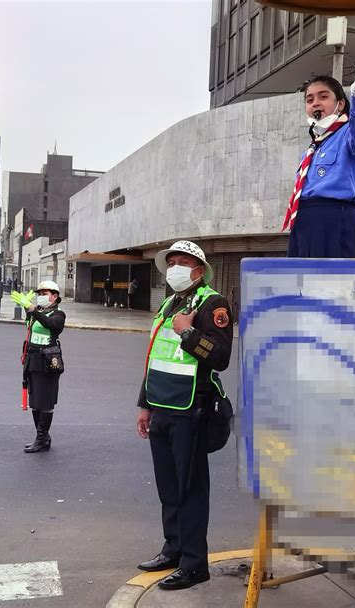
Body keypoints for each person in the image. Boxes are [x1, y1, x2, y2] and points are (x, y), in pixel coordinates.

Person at [136, 240, 233, 591]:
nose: (175, 266)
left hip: (192, 410)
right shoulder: (168, 303)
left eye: (183, 261)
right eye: (171, 261)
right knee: (169, 487)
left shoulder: (213, 304)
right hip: (162, 408)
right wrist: (145, 405)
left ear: (199, 269)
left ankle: (194, 563)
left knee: (190, 489)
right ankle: (174, 548)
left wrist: (188, 333)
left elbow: (220, 356)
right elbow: (155, 357)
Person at [282, 57, 355, 258]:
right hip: (304, 221)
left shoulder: (347, 134)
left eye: (323, 97)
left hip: (334, 220)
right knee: (299, 285)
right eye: (310, 100)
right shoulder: (313, 147)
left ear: (340, 104)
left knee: (331, 286)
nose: (315, 103)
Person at [11, 280, 66, 453]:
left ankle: (42, 438)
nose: (40, 297)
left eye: (44, 294)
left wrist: (33, 309)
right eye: (39, 294)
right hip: (32, 360)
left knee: (46, 401)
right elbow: (31, 326)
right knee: (35, 401)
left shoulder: (59, 315)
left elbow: (50, 326)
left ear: (54, 296)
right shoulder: (39, 312)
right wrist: (28, 310)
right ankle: (42, 437)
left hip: (48, 362)